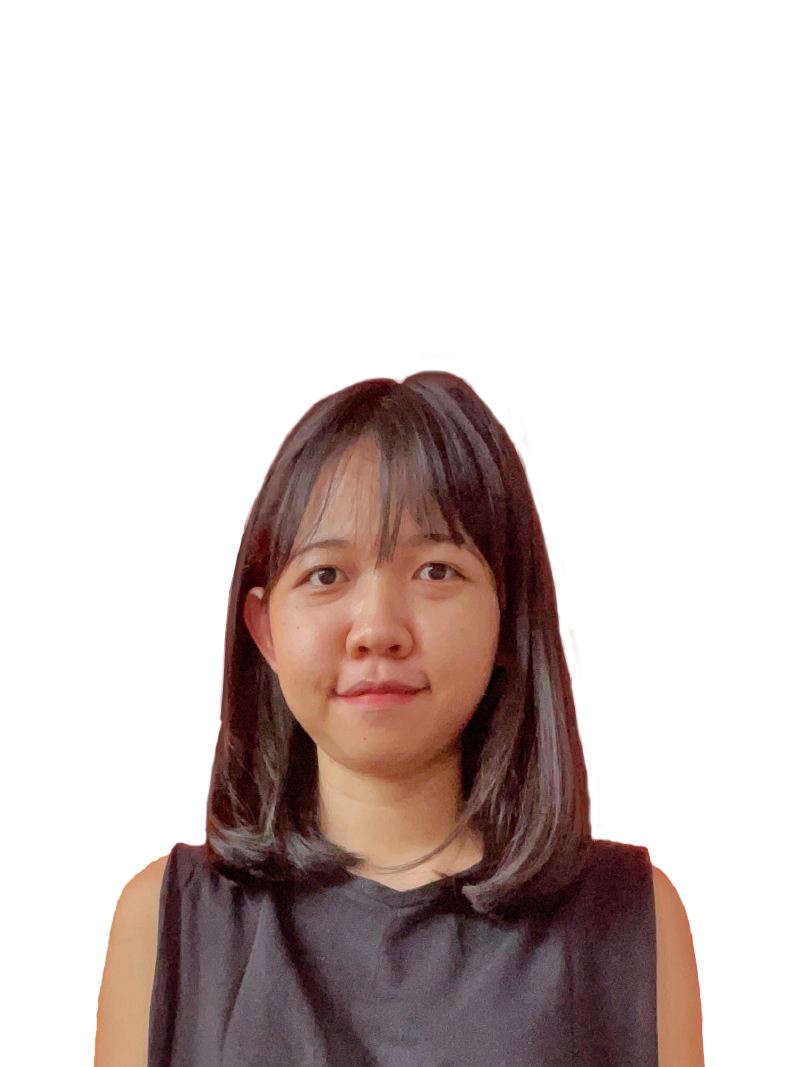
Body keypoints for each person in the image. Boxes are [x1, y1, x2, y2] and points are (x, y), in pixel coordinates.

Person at [94, 365, 705, 1066]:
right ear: (265, 630)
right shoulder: (164, 925)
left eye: (436, 570)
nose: (378, 629)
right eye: (326, 574)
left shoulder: (631, 922)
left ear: (508, 618)